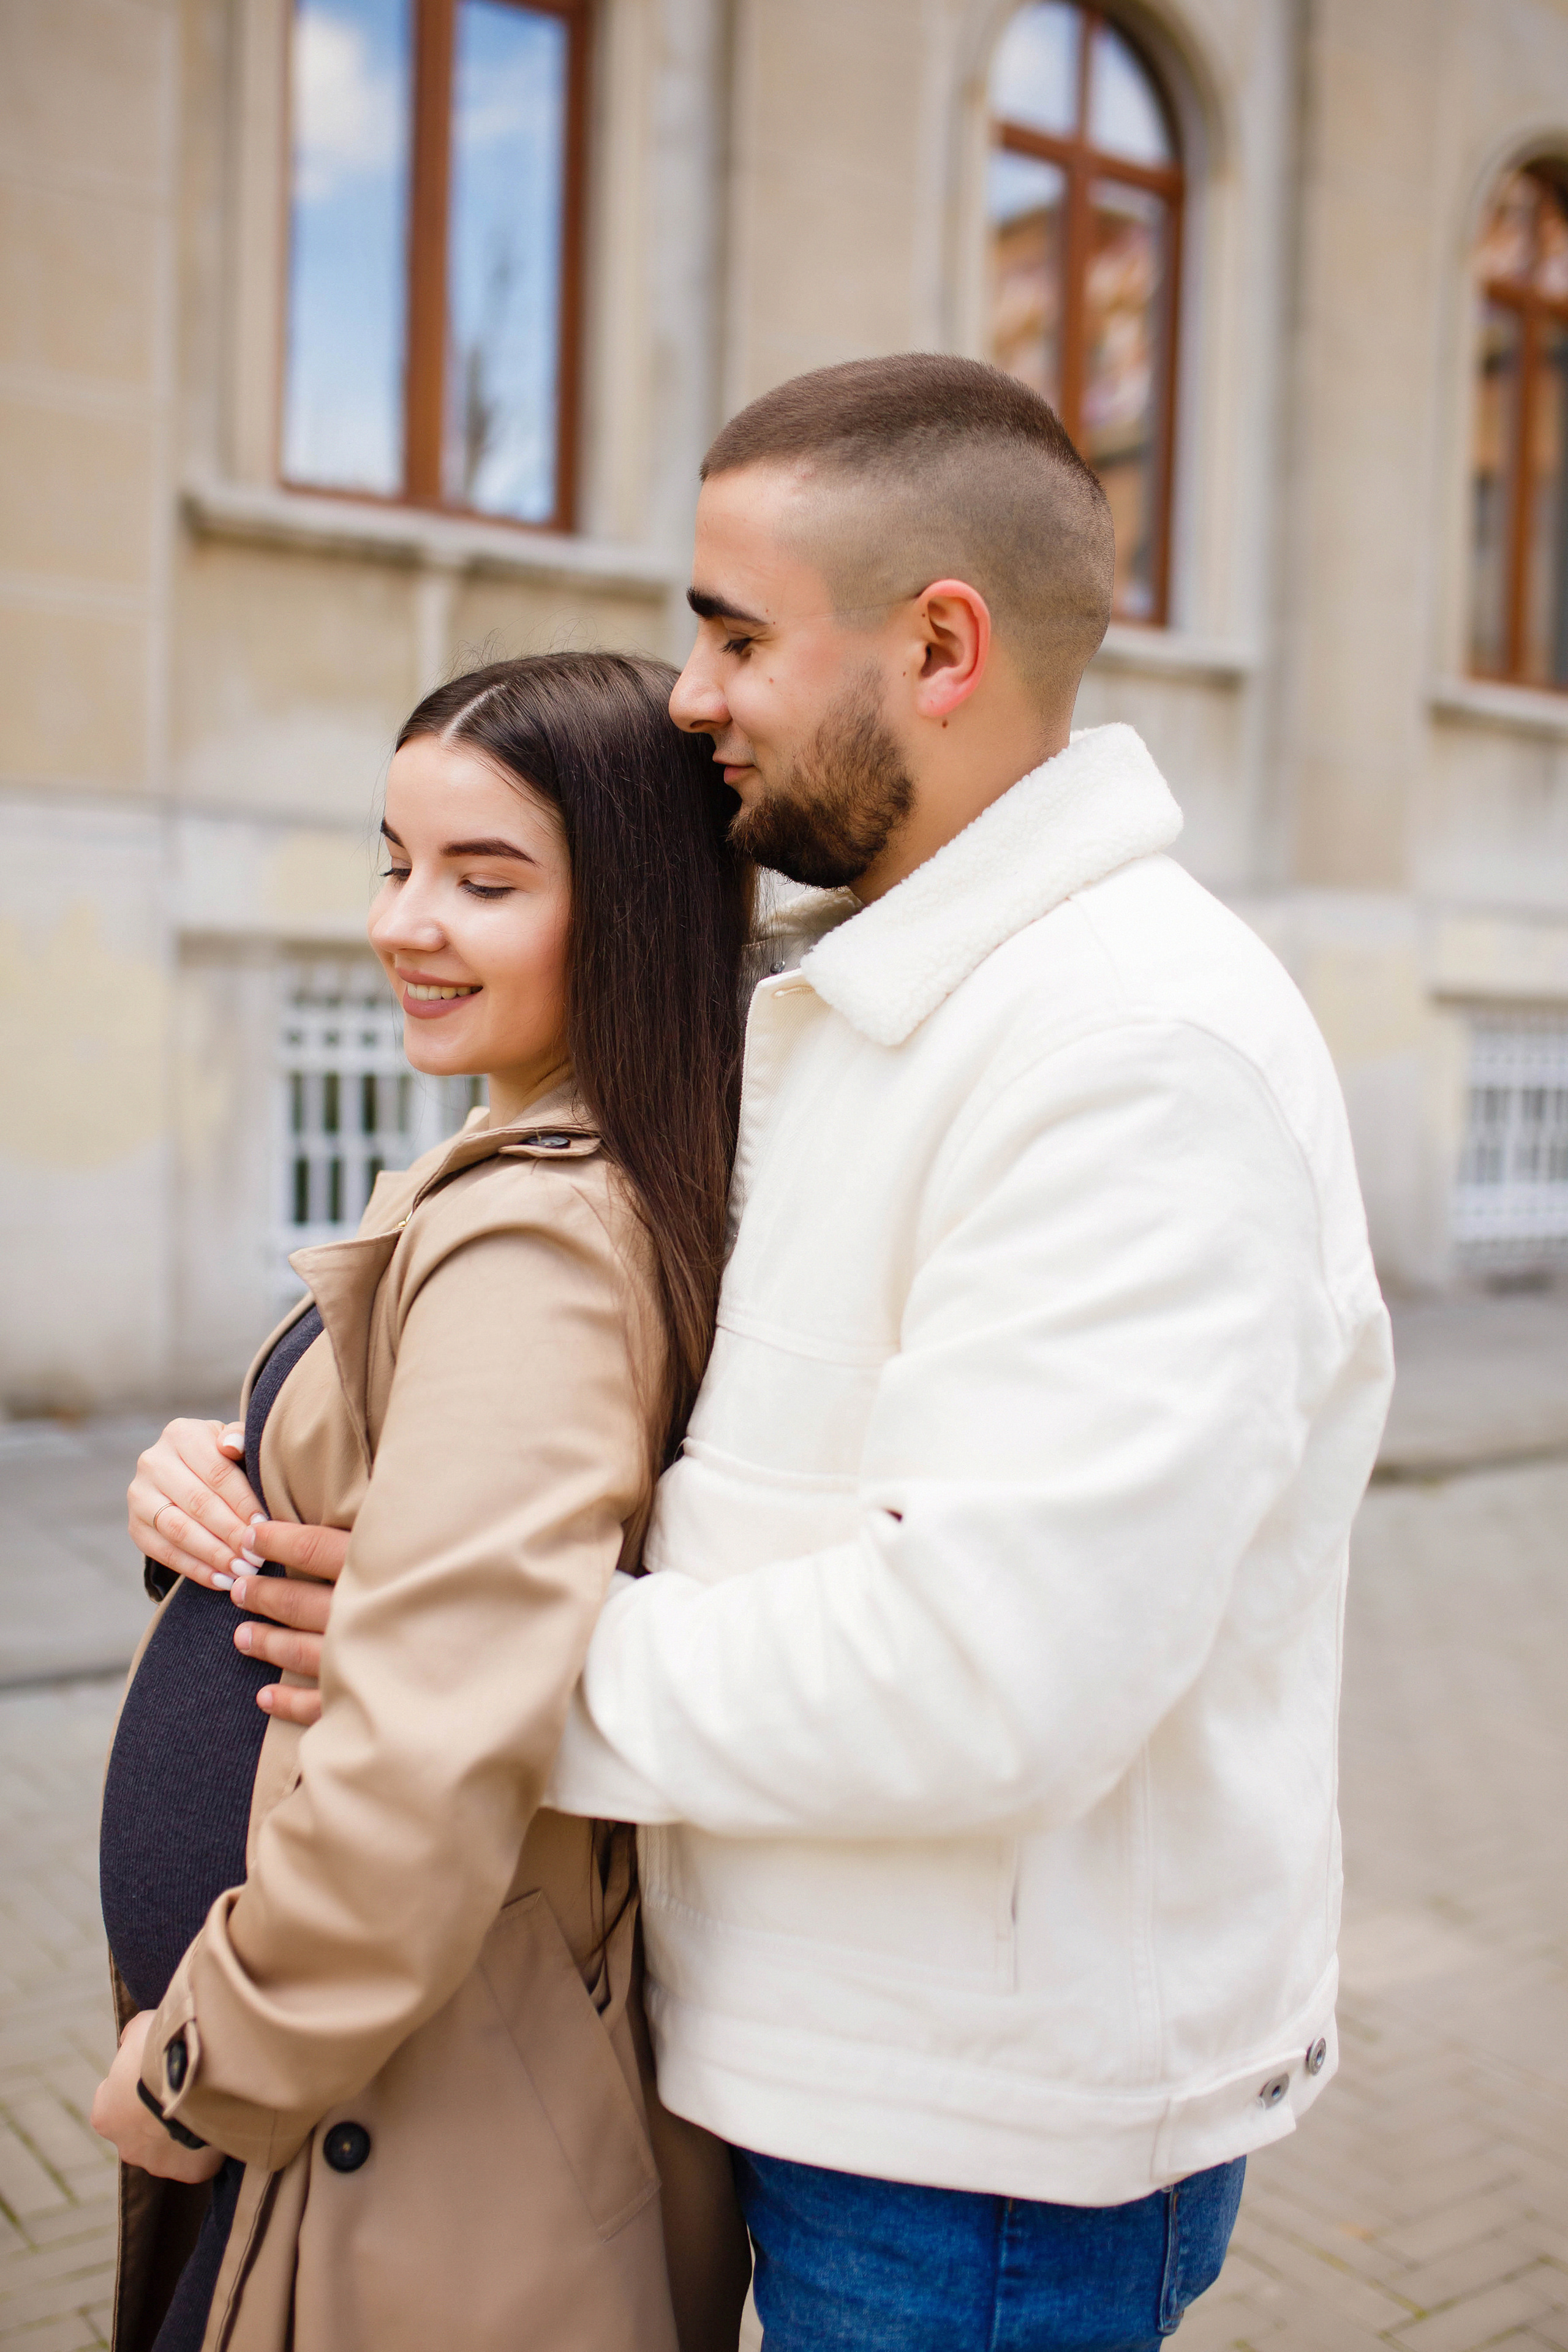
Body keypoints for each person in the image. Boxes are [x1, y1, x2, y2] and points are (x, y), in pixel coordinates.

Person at [159, 355, 1395, 2351]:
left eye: (735, 635)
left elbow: (992, 1673)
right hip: (819, 2091)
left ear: (939, 644)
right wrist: (249, 1472)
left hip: (976, 2168)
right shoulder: (878, 1001)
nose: (687, 698)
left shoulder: (1130, 1051)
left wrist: (454, 1664)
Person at [91, 652, 754, 2352]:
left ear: (630, 911)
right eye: (395, 859)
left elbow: (430, 1748)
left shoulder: (541, 1237)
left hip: (373, 2109)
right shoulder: (534, 1165)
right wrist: (215, 1484)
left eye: (485, 879)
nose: (405, 922)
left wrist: (206, 2057)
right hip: (350, 2092)